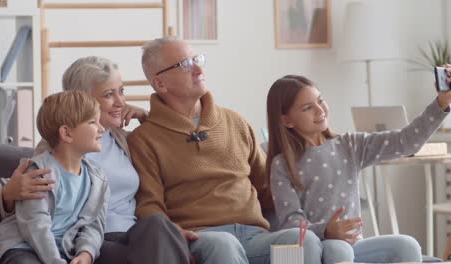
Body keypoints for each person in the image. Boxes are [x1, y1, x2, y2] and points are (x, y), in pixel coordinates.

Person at [126, 36, 322, 264]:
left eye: (196, 59)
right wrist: (171, 232)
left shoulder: (234, 122)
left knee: (302, 242)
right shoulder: (144, 139)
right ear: (160, 83)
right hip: (201, 240)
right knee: (224, 245)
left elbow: (269, 187)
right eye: (185, 64)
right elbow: (149, 204)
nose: (198, 69)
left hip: (256, 240)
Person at [0, 56, 190, 264]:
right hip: (90, 240)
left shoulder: (122, 138)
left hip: (131, 233)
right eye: (109, 94)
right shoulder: (57, 148)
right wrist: (8, 195)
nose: (121, 102)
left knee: (158, 225)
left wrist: (148, 119)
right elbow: (36, 211)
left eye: (121, 91)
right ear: (83, 100)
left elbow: (171, 155)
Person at [266, 73, 451, 264]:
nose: (319, 110)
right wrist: (326, 230)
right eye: (307, 108)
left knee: (408, 246)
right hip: (322, 247)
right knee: (339, 250)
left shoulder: (350, 145)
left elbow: (405, 142)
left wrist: (440, 104)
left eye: (320, 100)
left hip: (358, 247)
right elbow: (291, 224)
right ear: (287, 121)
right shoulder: (282, 165)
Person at [0, 90, 107, 264]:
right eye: (92, 122)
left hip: (65, 250)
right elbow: (35, 224)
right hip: (22, 248)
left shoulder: (98, 180)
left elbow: (93, 225)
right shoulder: (38, 170)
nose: (102, 128)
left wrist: (86, 253)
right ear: (67, 133)